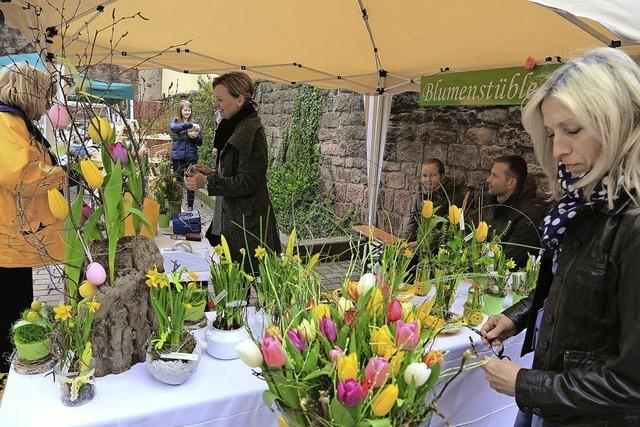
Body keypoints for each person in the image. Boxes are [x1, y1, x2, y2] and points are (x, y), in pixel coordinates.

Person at [480, 48, 640, 427]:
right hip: (553, 407)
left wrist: (526, 384)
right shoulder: (585, 203)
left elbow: (633, 383)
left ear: (619, 122)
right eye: (552, 132)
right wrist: (519, 315)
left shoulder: (632, 222)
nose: (557, 149)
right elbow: (578, 294)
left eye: (573, 130)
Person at [0, 62, 66, 371]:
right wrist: (62, 175)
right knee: (10, 313)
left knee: (19, 303)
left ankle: (16, 366)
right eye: (45, 95)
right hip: (7, 239)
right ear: (28, 92)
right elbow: (22, 174)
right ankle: (9, 376)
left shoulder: (16, 123)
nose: (48, 104)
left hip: (15, 237)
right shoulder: (5, 123)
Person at [185, 72, 280, 273]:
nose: (215, 104)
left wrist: (207, 182)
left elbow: (248, 181)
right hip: (234, 222)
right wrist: (211, 172)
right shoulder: (234, 126)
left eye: (220, 99)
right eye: (215, 99)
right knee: (235, 287)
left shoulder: (251, 131)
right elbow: (235, 172)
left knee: (255, 284)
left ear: (239, 100)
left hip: (250, 227)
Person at [481, 155, 544, 267]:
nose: (488, 179)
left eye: (495, 176)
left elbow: (507, 261)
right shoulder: (491, 205)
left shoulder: (528, 217)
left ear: (511, 182)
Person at [402, 158, 464, 242]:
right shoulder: (420, 194)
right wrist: (404, 240)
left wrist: (420, 244)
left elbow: (450, 228)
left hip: (440, 247)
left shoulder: (453, 196)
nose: (428, 180)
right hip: (419, 243)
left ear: (442, 176)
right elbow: (414, 221)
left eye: (433, 175)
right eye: (424, 176)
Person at [170, 100, 202, 211]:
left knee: (191, 183)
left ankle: (190, 206)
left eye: (189, 110)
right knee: (177, 182)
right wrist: (189, 125)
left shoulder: (195, 123)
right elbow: (174, 128)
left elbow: (200, 142)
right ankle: (176, 205)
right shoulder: (175, 121)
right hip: (177, 158)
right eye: (185, 110)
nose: (187, 112)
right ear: (180, 110)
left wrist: (195, 137)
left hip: (191, 158)